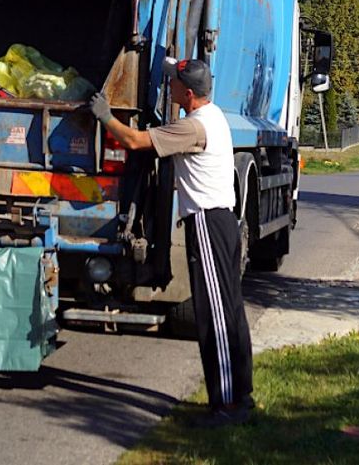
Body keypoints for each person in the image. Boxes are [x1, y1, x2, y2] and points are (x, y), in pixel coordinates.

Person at [89, 57, 254, 427]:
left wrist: (104, 115)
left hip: (209, 224)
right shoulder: (212, 116)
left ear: (189, 93)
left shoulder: (193, 127)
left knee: (214, 316)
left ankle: (227, 406)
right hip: (221, 221)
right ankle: (240, 396)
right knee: (230, 310)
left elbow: (133, 140)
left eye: (174, 84)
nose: (170, 88)